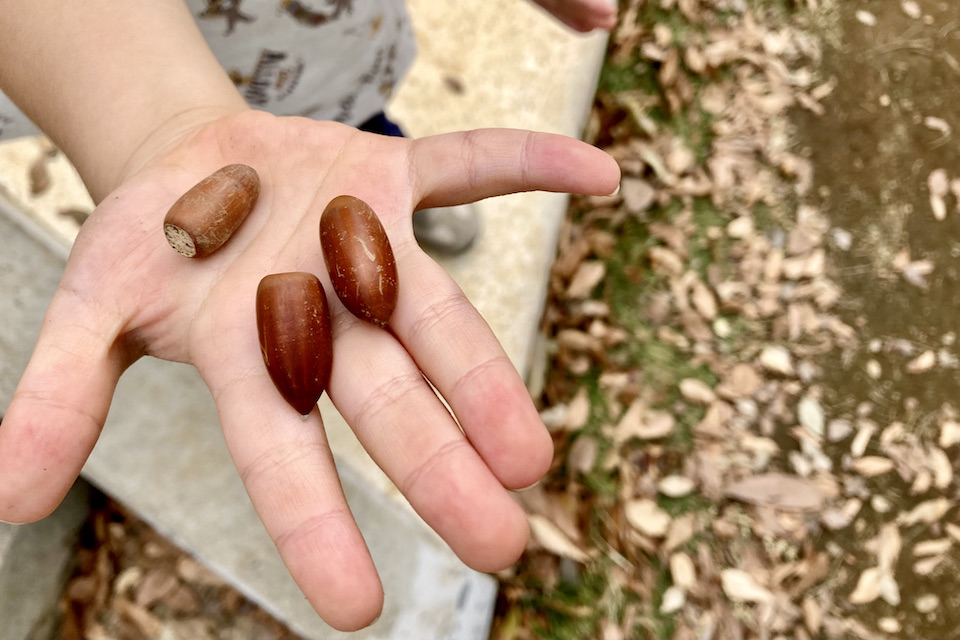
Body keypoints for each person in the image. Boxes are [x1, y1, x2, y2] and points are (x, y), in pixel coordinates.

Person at [0, 0, 620, 632]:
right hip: (122, 56)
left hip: (329, 37)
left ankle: (409, 202)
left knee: (363, 137)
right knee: (343, 161)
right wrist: (156, 131)